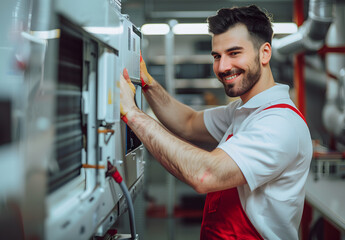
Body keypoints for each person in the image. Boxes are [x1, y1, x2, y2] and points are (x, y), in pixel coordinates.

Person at [120, 5, 312, 240]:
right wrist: (148, 83)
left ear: (265, 53)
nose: (222, 67)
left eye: (234, 53)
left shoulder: (278, 123)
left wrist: (132, 113)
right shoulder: (243, 111)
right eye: (217, 56)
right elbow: (188, 123)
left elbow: (205, 175)